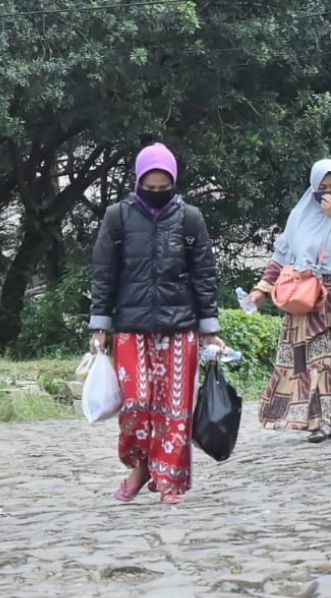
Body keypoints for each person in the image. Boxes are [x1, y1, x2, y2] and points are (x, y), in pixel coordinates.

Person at [89, 143, 225, 505]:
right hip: (131, 328)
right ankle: (141, 467)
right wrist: (99, 327)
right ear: (138, 181)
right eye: (150, 186)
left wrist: (210, 328)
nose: (157, 193)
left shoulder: (190, 218)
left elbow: (204, 275)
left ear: (174, 182)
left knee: (174, 409)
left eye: (164, 185)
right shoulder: (117, 218)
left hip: (180, 327)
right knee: (136, 405)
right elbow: (104, 275)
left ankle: (171, 480)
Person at [247, 159, 331, 443]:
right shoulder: (299, 217)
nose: (329, 193)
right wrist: (261, 290)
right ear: (313, 188)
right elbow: (282, 257)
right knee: (318, 363)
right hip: (311, 299)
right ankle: (324, 421)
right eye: (323, 188)